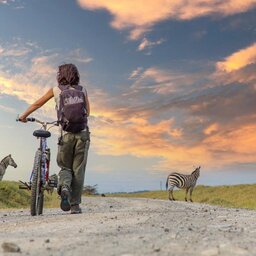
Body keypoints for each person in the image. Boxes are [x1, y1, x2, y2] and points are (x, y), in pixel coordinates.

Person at [19, 63, 90, 214]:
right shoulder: (82, 90)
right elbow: (88, 112)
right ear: (76, 75)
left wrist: (23, 116)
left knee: (65, 167)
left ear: (60, 75)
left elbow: (38, 103)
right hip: (82, 135)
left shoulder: (56, 90)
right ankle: (75, 205)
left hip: (65, 135)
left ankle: (64, 186)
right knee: (78, 170)